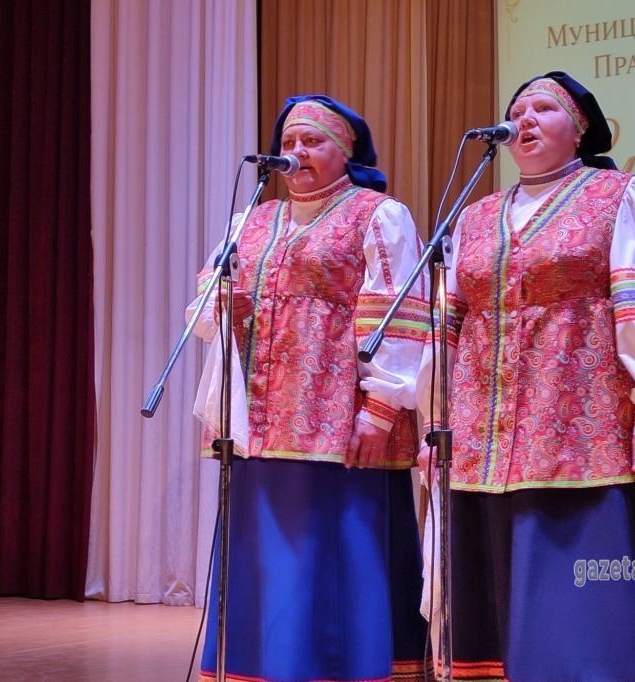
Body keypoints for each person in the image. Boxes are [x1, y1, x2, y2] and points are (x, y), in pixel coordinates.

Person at [417, 72, 635, 681]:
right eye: (516, 112)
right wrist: (437, 424)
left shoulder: (621, 195)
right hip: (484, 434)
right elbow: (446, 326)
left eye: (543, 108)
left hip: (584, 422)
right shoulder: (476, 216)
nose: (524, 120)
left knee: (581, 596)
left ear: (580, 128)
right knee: (494, 588)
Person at [189, 95, 431, 682]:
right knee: (266, 556)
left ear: (345, 152)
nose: (296, 152)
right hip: (257, 422)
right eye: (289, 142)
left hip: (339, 421)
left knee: (335, 551)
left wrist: (379, 410)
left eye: (313, 141)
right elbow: (202, 313)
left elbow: (400, 317)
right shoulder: (250, 221)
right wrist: (221, 307)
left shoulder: (377, 215)